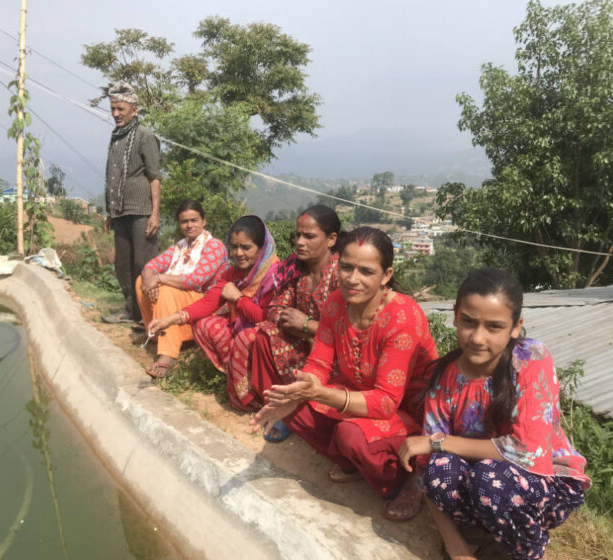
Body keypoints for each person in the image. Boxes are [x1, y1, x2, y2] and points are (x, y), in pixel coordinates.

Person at [398, 268, 589, 560]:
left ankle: (525, 551)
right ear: (455, 315)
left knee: (488, 478)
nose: (477, 337)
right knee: (440, 471)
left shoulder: (530, 359)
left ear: (515, 327)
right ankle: (476, 537)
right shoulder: (445, 377)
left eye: (494, 327)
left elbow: (527, 451)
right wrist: (456, 547)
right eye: (468, 322)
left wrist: (441, 441)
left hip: (546, 480)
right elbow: (427, 471)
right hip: (485, 480)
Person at [251, 227, 438, 521]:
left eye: (366, 271)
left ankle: (408, 479)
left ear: (385, 275)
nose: (353, 279)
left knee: (350, 434)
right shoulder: (336, 303)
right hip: (364, 396)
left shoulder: (402, 317)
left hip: (412, 413)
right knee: (296, 409)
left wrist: (321, 393)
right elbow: (320, 364)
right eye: (347, 267)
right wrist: (301, 390)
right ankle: (354, 463)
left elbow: (387, 402)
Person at [148, 215, 278, 403]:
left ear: (262, 247)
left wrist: (239, 299)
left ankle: (257, 392)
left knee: (247, 337)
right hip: (243, 327)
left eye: (246, 247)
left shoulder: (274, 275)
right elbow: (208, 303)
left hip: (267, 336)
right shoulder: (234, 273)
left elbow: (265, 317)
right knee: (204, 324)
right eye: (234, 247)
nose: (239, 253)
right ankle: (237, 375)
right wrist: (168, 320)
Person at [244, 205, 341, 439]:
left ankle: (302, 411)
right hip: (303, 343)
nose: (300, 242)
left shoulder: (342, 275)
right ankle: (280, 406)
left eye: (309, 236)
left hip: (335, 351)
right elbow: (275, 309)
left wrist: (309, 327)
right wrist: (298, 327)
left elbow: (350, 331)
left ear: (331, 239)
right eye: (298, 235)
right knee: (264, 335)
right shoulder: (297, 270)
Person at [135, 200, 230, 378]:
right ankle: (155, 335)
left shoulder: (214, 246)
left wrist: (159, 278)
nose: (189, 225)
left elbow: (196, 280)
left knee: (165, 289)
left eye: (194, 220)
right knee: (142, 281)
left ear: (204, 221)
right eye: (184, 221)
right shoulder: (180, 247)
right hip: (185, 298)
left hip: (207, 303)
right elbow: (152, 265)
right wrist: (150, 278)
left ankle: (167, 354)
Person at [101, 81, 162, 325]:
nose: (116, 114)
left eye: (121, 109)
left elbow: (155, 177)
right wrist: (110, 212)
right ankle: (131, 310)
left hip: (141, 211)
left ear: (134, 110)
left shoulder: (146, 136)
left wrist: (154, 214)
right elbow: (111, 176)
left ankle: (149, 314)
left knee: (143, 263)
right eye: (113, 109)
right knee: (123, 263)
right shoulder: (116, 137)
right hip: (119, 211)